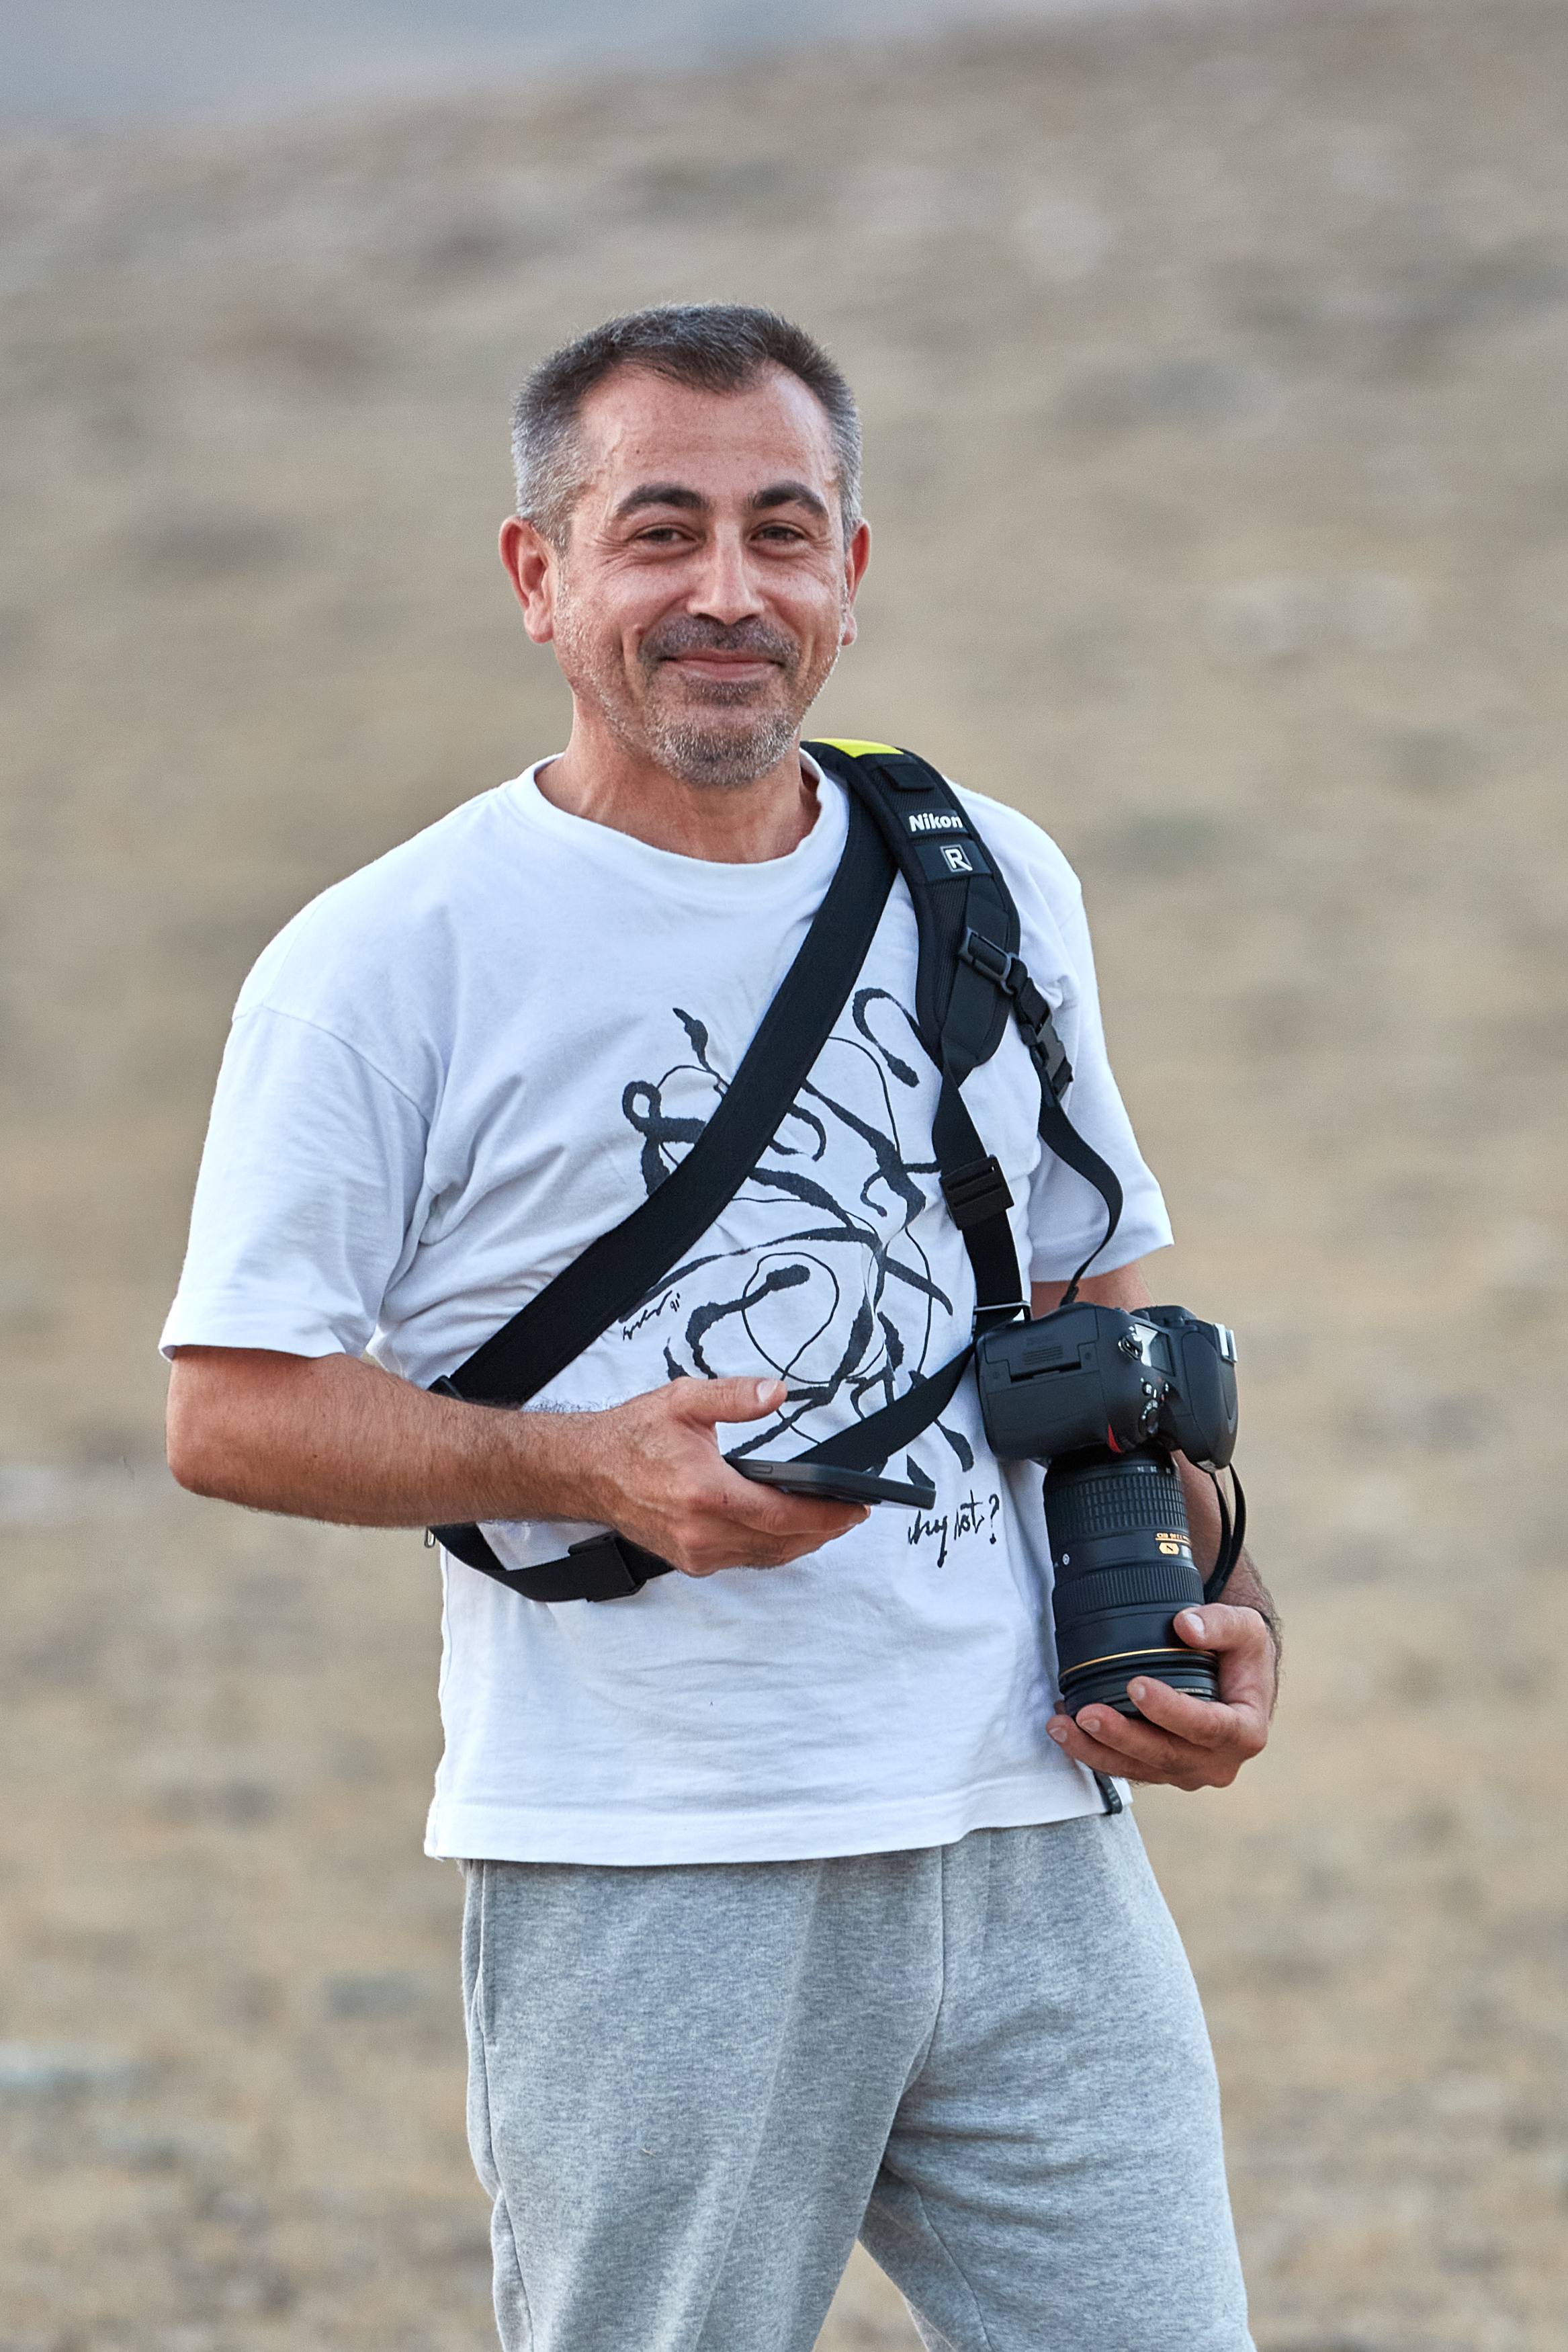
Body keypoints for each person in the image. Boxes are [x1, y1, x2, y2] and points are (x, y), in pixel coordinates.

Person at [163, 303, 1278, 2352]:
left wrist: (1208, 1575)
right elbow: (231, 1411)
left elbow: (1089, 1291)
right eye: (657, 529)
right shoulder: (385, 959)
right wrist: (581, 1464)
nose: (726, 591)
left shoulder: (985, 872)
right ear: (542, 575)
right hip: (661, 1862)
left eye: (784, 529)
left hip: (1033, 1831)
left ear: (853, 569)